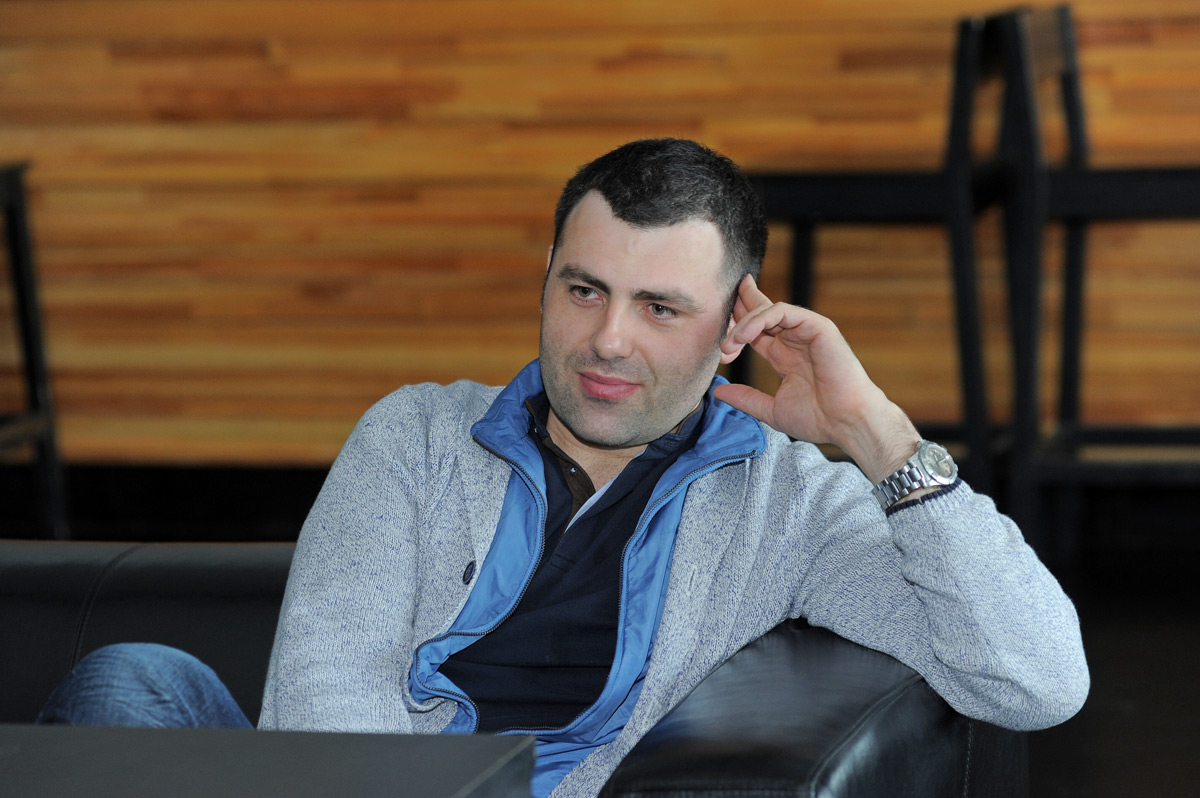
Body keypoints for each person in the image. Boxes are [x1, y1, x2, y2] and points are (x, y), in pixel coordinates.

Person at [41, 138, 1089, 798]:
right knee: (133, 678)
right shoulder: (414, 435)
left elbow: (1036, 679)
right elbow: (326, 711)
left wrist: (877, 434)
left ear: (737, 328)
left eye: (661, 308)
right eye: (583, 290)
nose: (608, 341)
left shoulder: (787, 505)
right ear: (544, 278)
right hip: (358, 786)